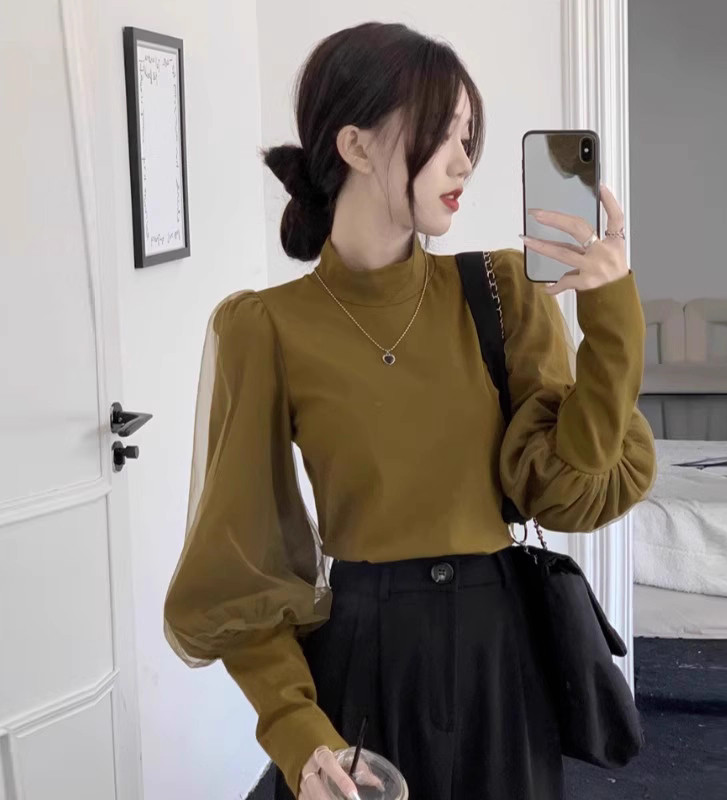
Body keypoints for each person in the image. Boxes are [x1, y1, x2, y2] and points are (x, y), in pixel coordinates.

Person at [163, 20, 656, 800]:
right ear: (356, 146)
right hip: (362, 659)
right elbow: (238, 572)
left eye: (469, 136)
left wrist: (611, 317)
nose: (464, 160)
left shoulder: (501, 291)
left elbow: (566, 492)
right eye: (441, 132)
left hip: (501, 658)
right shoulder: (266, 328)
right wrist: (298, 734)